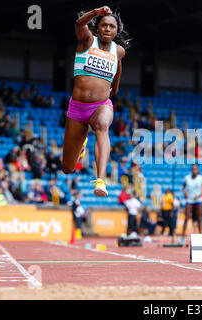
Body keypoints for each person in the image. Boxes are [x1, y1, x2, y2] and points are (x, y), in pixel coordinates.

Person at [61, 6, 130, 198]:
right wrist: (95, 12)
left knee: (102, 125)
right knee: (68, 167)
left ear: (116, 30)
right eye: (104, 25)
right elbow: (79, 23)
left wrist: (114, 88)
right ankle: (82, 141)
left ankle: (101, 180)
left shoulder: (119, 51)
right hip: (77, 108)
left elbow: (118, 67)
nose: (108, 29)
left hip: (101, 106)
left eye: (112, 26)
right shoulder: (87, 40)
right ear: (98, 28)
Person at [179, 164, 202, 245]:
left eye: (195, 169)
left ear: (197, 170)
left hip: (198, 200)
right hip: (189, 200)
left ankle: (201, 237)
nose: (194, 171)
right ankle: (182, 237)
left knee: (199, 219)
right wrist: (185, 192)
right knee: (186, 218)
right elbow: (183, 188)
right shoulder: (187, 178)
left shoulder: (201, 179)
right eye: (192, 169)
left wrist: (199, 196)